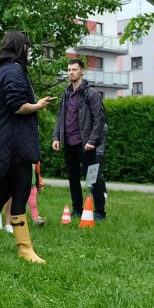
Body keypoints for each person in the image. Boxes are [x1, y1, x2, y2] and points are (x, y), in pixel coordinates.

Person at [0, 31, 54, 264]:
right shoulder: (14, 72)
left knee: (4, 193)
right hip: (14, 145)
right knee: (20, 193)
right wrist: (38, 105)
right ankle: (24, 249)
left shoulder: (6, 70)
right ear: (21, 47)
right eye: (28, 46)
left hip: (6, 143)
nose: (29, 50)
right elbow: (17, 106)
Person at [51, 59, 107, 221]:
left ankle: (100, 212)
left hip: (86, 144)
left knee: (93, 177)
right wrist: (57, 137)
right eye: (69, 70)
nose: (71, 72)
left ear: (82, 71)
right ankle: (77, 208)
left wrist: (92, 140)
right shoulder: (66, 93)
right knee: (73, 177)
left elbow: (99, 119)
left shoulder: (91, 93)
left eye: (74, 69)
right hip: (69, 142)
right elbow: (60, 117)